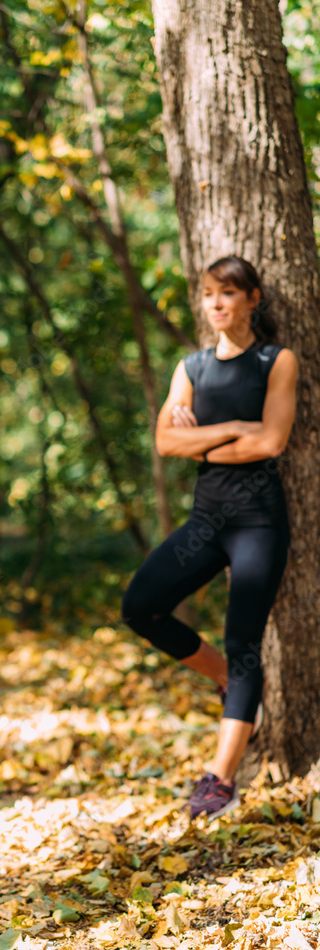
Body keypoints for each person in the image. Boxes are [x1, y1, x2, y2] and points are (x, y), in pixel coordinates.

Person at [122, 256, 297, 821]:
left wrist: (202, 440)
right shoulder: (192, 367)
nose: (216, 303)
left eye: (228, 293)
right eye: (208, 294)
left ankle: (220, 780)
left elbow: (271, 442)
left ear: (253, 299)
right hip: (206, 523)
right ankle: (224, 678)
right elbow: (165, 443)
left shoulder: (275, 361)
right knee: (140, 606)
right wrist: (234, 429)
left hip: (258, 524)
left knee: (244, 640)